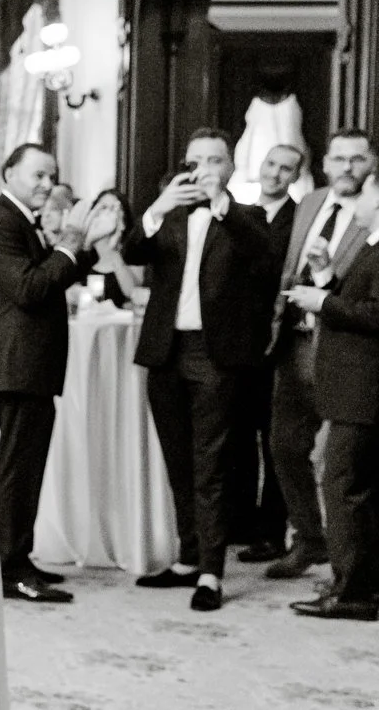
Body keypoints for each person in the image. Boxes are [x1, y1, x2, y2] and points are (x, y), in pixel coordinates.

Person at [123, 129, 272, 611]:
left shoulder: (247, 216)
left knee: (211, 467)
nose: (204, 168)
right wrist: (157, 208)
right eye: (196, 160)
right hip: (166, 351)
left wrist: (221, 205)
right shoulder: (169, 213)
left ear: (229, 166)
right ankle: (188, 557)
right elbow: (131, 252)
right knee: (178, 461)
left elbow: (262, 256)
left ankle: (211, 572)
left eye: (214, 160)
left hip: (215, 355)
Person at [0, 143, 117, 604]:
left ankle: (19, 556)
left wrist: (92, 248)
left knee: (27, 466)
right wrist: (71, 240)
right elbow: (31, 289)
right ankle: (8, 568)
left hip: (30, 364)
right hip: (17, 364)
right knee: (18, 469)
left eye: (51, 176)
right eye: (37, 175)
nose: (46, 184)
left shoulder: (20, 222)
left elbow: (52, 276)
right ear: (9, 172)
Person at [265, 130, 375, 580]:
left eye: (357, 159)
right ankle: (310, 541)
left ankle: (352, 563)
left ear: (371, 165)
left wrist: (325, 282)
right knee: (285, 445)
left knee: (342, 464)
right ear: (324, 164)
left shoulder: (372, 216)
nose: (347, 167)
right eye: (339, 158)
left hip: (347, 349)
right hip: (294, 342)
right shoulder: (309, 202)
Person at [282, 173, 379, 621]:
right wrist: (324, 275)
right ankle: (355, 581)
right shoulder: (371, 245)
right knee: (349, 485)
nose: (358, 196)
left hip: (364, 388)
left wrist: (321, 301)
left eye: (368, 189)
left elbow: (375, 314)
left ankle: (353, 590)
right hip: (352, 386)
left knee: (342, 485)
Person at [234, 143, 304, 563]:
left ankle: (272, 531)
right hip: (235, 344)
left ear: (296, 176)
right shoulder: (238, 213)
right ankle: (239, 522)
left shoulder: (299, 220)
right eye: (271, 164)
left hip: (277, 342)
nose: (275, 174)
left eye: (286, 169)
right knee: (238, 436)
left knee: (274, 439)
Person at [83, 188, 139, 307]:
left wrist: (114, 248)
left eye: (114, 209)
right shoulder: (85, 249)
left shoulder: (133, 248)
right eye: (103, 208)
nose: (108, 213)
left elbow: (132, 292)